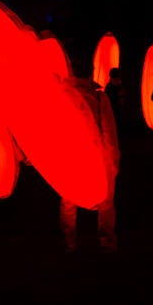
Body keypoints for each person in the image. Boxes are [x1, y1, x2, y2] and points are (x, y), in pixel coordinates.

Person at [59, 76, 121, 255]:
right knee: (105, 201)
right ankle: (106, 242)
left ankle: (69, 242)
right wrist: (112, 159)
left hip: (71, 157)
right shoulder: (98, 97)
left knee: (69, 201)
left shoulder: (64, 94)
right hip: (94, 156)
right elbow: (109, 132)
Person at [103, 66, 126, 133]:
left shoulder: (117, 86)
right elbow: (109, 99)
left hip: (118, 111)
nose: (119, 79)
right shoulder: (109, 87)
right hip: (113, 111)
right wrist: (118, 95)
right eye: (117, 77)